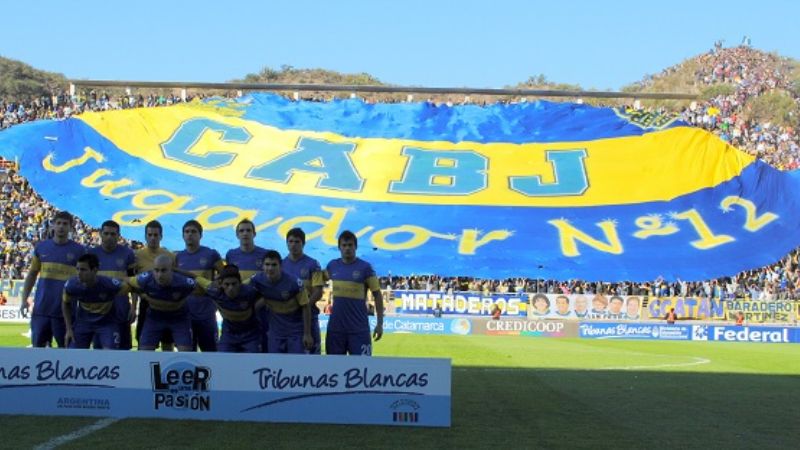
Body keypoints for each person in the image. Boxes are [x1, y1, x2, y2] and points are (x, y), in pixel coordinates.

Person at [20, 211, 86, 347]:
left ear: (70, 228)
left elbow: (84, 280)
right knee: (38, 351)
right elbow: (32, 274)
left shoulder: (79, 251)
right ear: (53, 226)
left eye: (65, 224)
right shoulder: (41, 248)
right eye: (58, 223)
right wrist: (24, 300)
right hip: (41, 310)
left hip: (66, 312)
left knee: (66, 352)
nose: (61, 227)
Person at [127, 254, 210, 351]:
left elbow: (205, 287)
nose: (159, 274)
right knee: (144, 351)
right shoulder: (145, 279)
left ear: (172, 270)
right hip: (154, 317)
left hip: (179, 317)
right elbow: (126, 281)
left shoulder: (184, 282)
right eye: (156, 270)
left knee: (186, 353)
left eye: (164, 270)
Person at [324, 230, 384, 356]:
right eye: (344, 245)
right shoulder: (332, 266)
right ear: (339, 247)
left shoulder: (365, 268)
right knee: (333, 370)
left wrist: (379, 324)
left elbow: (377, 295)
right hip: (335, 329)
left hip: (359, 330)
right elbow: (316, 282)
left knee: (362, 370)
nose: (347, 248)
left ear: (355, 247)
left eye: (350, 245)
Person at [249, 250, 312, 354]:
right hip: (275, 332)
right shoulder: (256, 280)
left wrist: (307, 334)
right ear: (262, 266)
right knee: (274, 364)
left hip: (295, 331)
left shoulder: (294, 283)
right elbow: (241, 289)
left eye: (274, 265)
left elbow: (305, 306)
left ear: (281, 266)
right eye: (267, 264)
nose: (270, 268)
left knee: (296, 365)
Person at [175, 220, 224, 352]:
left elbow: (224, 275)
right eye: (187, 232)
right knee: (187, 352)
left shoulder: (211, 254)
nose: (190, 234)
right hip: (186, 312)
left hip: (206, 312)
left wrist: (215, 285)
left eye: (193, 232)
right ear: (183, 235)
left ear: (200, 235)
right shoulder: (178, 257)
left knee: (211, 352)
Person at [88, 220, 136, 350]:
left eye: (113, 234)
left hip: (121, 310)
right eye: (106, 233)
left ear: (118, 235)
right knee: (100, 352)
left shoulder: (128, 254)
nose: (109, 237)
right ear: (100, 234)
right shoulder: (91, 254)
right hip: (99, 313)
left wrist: (133, 308)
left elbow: (133, 282)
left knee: (124, 350)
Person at [62, 254, 127, 349]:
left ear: (95, 270)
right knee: (73, 353)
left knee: (111, 354)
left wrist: (133, 306)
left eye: (83, 270)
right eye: (78, 269)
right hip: (83, 323)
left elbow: (130, 287)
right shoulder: (71, 285)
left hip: (107, 323)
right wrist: (69, 329)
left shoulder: (109, 284)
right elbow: (65, 303)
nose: (79, 273)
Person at [225, 219, 270, 353]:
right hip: (238, 309)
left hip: (259, 309)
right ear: (237, 235)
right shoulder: (231, 255)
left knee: (262, 348)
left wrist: (259, 305)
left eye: (248, 230)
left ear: (254, 234)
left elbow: (269, 284)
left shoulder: (264, 255)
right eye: (241, 231)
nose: (245, 233)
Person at [133, 220, 175, 350]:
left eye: (156, 235)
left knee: (167, 345)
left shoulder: (170, 256)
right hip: (146, 306)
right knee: (144, 346)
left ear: (161, 236)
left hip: (167, 306)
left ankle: (167, 370)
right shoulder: (136, 256)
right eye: (150, 234)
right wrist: (133, 307)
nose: (153, 238)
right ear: (145, 236)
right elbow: (133, 284)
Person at [281, 227, 324, 354]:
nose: (293, 245)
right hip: (287, 319)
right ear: (286, 243)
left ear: (303, 244)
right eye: (290, 241)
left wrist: (304, 306)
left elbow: (318, 291)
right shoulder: (281, 265)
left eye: (297, 242)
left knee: (311, 355)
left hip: (309, 317)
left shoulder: (313, 264)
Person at [205, 264, 264, 353]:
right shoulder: (214, 292)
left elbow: (267, 295)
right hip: (229, 335)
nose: (230, 288)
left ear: (240, 283)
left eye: (234, 284)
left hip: (251, 335)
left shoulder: (250, 292)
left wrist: (256, 308)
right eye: (227, 284)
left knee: (254, 362)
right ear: (221, 284)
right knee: (222, 359)